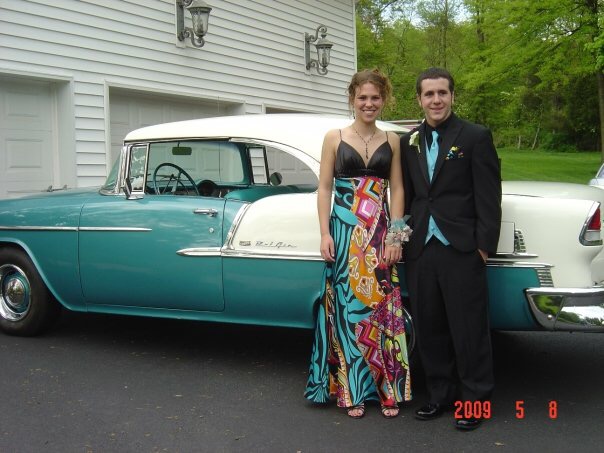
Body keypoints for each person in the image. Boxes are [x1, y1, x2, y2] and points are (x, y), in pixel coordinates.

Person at [304, 69, 412, 419]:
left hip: (380, 234)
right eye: (362, 97)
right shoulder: (334, 137)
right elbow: (324, 188)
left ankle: (388, 390)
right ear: (352, 99)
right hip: (345, 234)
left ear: (384, 100)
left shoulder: (392, 140)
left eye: (375, 98)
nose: (369, 104)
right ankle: (352, 390)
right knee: (348, 312)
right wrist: (324, 233)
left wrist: (395, 236)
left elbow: (398, 190)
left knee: (381, 311)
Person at [400, 67, 501, 430]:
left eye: (442, 93)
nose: (436, 100)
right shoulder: (408, 142)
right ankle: (439, 395)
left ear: (452, 96)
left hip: (462, 247)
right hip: (422, 247)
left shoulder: (475, 136)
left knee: (468, 327)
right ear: (420, 99)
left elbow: (489, 197)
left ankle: (475, 401)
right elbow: (409, 196)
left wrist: (483, 248)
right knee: (429, 326)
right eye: (429, 94)